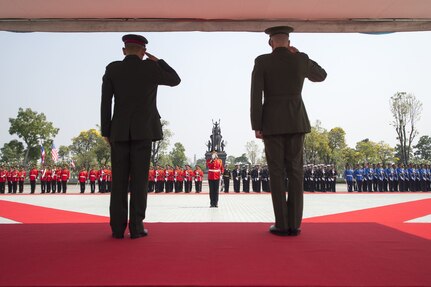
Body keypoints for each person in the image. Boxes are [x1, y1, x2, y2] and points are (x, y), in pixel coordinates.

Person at [101, 34, 180, 239]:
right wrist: (158, 61)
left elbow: (105, 102)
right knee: (139, 182)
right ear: (144, 51)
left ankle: (117, 228)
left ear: (123, 50)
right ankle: (136, 227)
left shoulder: (113, 68)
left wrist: (106, 131)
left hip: (118, 132)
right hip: (144, 132)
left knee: (118, 182)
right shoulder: (151, 68)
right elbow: (175, 80)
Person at [250, 26, 327, 236]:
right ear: (289, 42)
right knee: (295, 171)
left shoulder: (262, 61)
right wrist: (301, 56)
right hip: (296, 121)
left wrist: (257, 124)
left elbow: (256, 95)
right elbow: (321, 75)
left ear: (270, 42)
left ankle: (281, 224)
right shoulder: (300, 60)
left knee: (276, 172)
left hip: (272, 123)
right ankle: (295, 224)